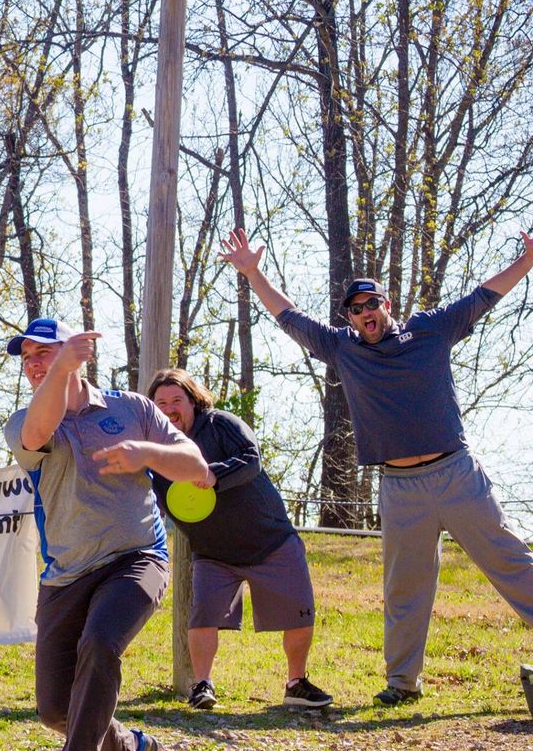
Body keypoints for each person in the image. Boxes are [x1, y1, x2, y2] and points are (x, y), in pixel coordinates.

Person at [218, 227, 533, 705]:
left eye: (372, 304)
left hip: (456, 473)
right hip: (400, 486)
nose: (365, 313)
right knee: (404, 589)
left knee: (512, 562)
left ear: (387, 304)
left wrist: (527, 262)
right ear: (349, 317)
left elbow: (482, 296)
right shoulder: (342, 348)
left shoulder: (430, 328)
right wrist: (253, 273)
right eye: (356, 309)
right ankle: (403, 684)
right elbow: (289, 317)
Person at [3, 317, 208, 751]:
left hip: (136, 558)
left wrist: (147, 451)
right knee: (55, 709)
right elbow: (37, 432)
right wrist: (58, 372)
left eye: (42, 353)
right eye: (25, 358)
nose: (32, 365)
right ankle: (128, 748)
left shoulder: (130, 409)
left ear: (76, 353)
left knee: (100, 645)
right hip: (66, 573)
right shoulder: (25, 419)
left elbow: (198, 470)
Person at [146, 367, 333, 711]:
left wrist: (211, 475)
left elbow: (251, 459)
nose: (169, 408)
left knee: (299, 613)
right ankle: (201, 685)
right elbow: (154, 500)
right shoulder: (155, 451)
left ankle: (296, 683)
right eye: (161, 402)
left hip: (271, 540)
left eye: (177, 400)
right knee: (202, 617)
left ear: (193, 401)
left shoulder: (220, 423)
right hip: (213, 553)